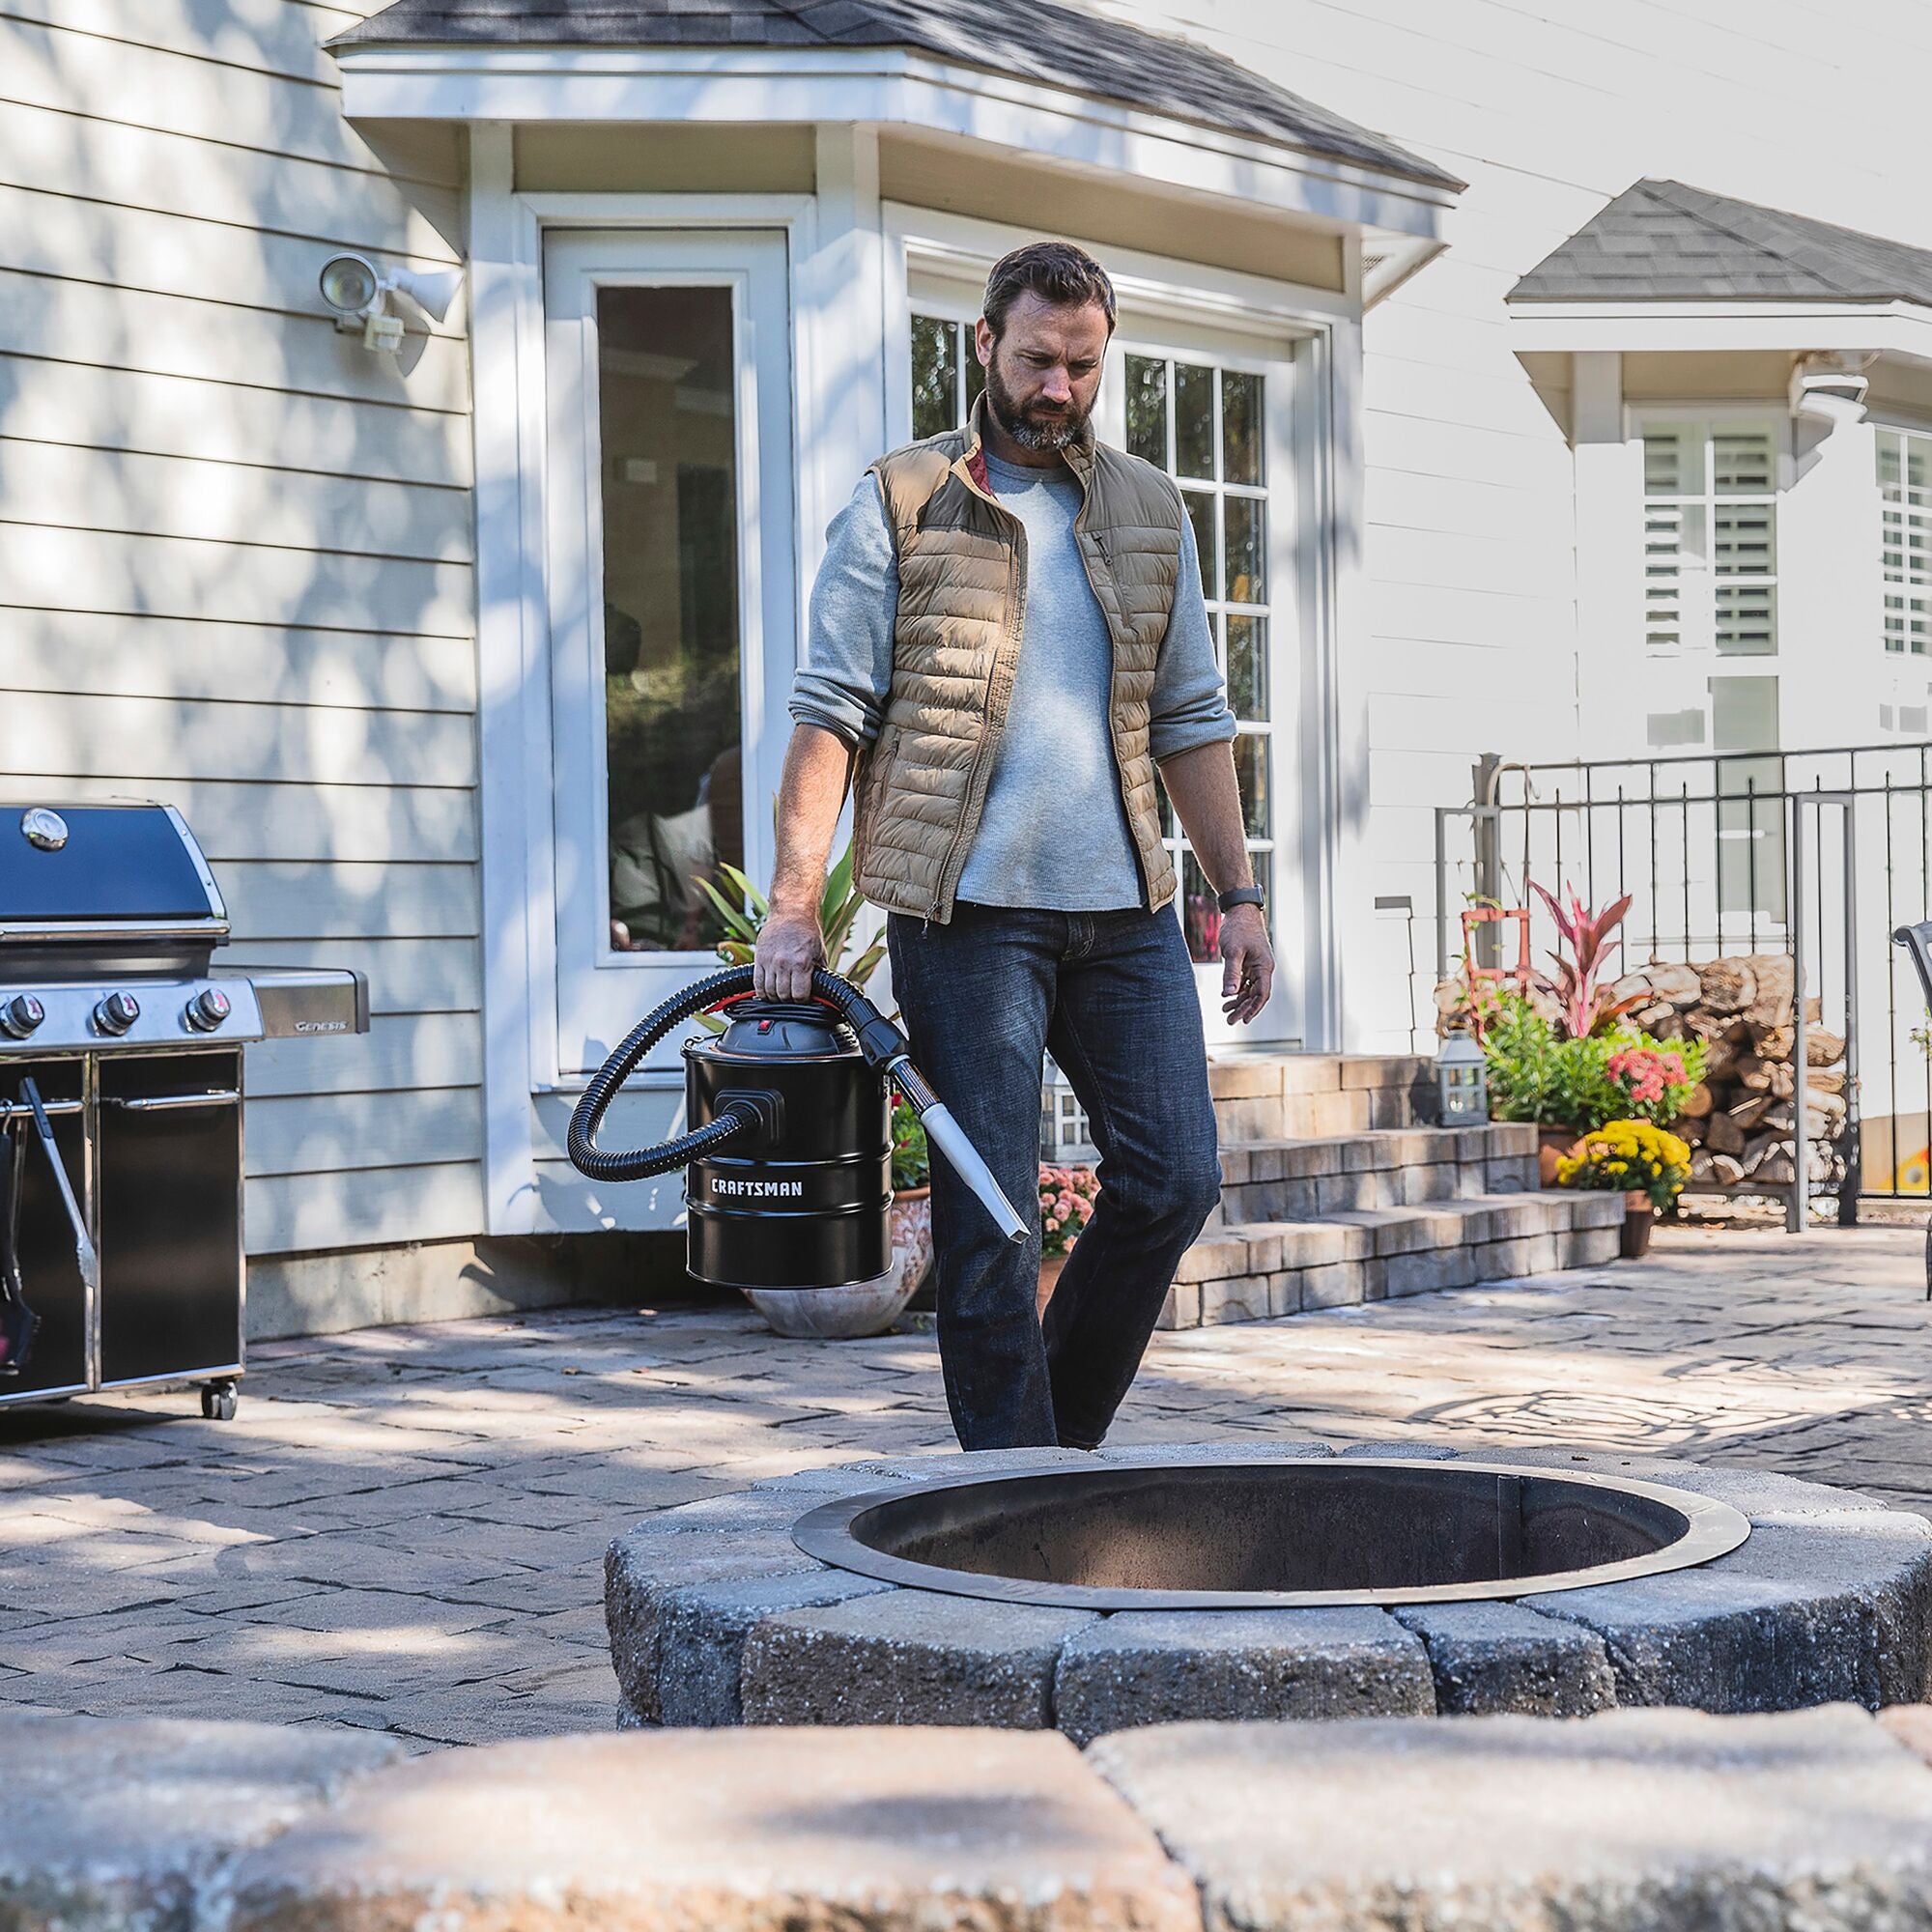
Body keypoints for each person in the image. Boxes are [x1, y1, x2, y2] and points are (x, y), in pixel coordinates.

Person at [761, 239, 1275, 1451]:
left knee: (1172, 1177)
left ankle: (1051, 1447)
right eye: (1037, 359)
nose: (1058, 387)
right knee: (989, 1213)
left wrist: (1237, 895)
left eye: (1082, 366)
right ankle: (1012, 1481)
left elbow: (1192, 716)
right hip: (967, 913)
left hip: (1126, 911)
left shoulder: (1148, 508)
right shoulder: (902, 498)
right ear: (982, 344)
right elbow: (830, 710)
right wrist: (791, 903)